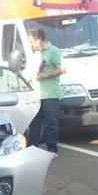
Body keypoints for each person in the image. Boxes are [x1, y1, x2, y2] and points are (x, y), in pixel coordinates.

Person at [27, 27, 65, 155]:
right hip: (37, 95)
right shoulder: (36, 54)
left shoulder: (53, 51)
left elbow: (62, 69)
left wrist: (47, 76)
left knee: (51, 123)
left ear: (40, 39)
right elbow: (32, 71)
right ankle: (33, 149)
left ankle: (52, 150)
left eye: (32, 42)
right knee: (34, 124)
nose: (31, 45)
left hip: (50, 94)